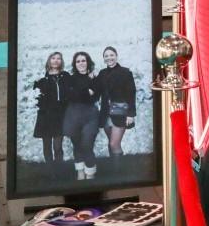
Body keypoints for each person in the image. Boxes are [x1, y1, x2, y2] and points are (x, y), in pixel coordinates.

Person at [61, 51, 101, 180]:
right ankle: (80, 171)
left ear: (88, 62)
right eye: (78, 61)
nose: (81, 63)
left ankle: (90, 172)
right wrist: (86, 89)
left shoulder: (96, 78)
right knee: (77, 144)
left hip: (90, 115)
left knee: (87, 145)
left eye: (83, 60)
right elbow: (70, 96)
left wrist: (80, 91)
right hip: (73, 114)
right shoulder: (70, 78)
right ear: (75, 64)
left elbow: (94, 97)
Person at [96, 46, 137, 157]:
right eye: (106, 56)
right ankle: (114, 169)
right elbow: (97, 91)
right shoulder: (102, 73)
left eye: (111, 55)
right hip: (105, 114)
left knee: (114, 144)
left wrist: (131, 114)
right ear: (104, 59)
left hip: (120, 113)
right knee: (111, 143)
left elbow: (131, 94)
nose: (109, 58)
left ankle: (120, 171)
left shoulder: (125, 72)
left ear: (116, 56)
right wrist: (90, 79)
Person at [32, 51, 68, 163]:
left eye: (58, 58)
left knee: (57, 147)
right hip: (46, 116)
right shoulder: (43, 79)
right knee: (47, 146)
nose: (56, 60)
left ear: (61, 61)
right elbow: (36, 96)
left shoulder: (65, 76)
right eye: (53, 58)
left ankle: (59, 170)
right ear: (49, 61)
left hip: (60, 116)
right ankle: (50, 171)